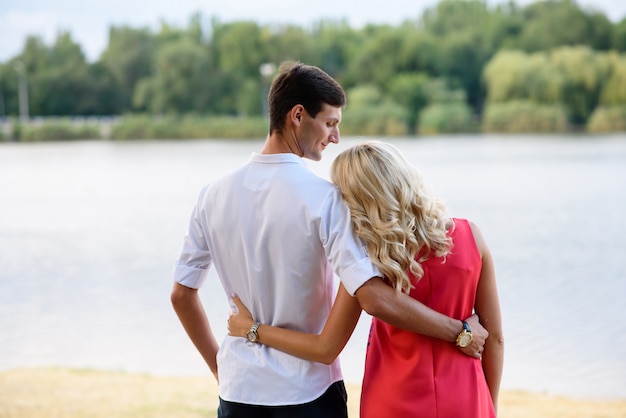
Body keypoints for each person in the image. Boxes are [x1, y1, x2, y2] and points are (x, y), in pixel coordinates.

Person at [171, 62, 488, 418]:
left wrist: (221, 368)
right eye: (330, 123)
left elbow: (182, 295)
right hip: (308, 394)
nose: (335, 137)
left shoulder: (211, 195)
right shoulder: (326, 199)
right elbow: (372, 297)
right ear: (298, 115)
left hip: (239, 393)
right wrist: (459, 331)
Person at [228, 141, 504, 417]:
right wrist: (489, 405)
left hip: (394, 399)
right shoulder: (471, 236)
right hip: (467, 395)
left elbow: (325, 348)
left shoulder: (367, 260)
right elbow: (495, 339)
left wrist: (252, 329)